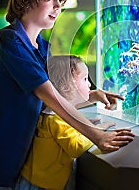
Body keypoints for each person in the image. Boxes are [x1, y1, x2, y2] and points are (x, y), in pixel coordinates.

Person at [0, 0, 134, 190]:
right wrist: (96, 135)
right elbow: (48, 95)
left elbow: (58, 94)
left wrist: (91, 95)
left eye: (61, 0)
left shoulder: (42, 48)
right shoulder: (9, 42)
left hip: (14, 158)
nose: (58, 6)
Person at [17, 55, 112, 190]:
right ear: (66, 86)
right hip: (42, 185)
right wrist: (97, 130)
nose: (90, 84)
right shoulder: (57, 119)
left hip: (34, 180)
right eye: (85, 79)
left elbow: (67, 127)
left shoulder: (51, 113)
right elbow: (75, 146)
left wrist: (86, 121)